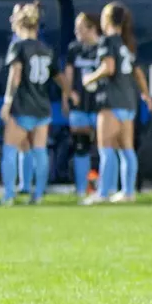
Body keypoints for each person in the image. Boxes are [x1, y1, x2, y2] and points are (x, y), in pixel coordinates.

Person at [82, 2, 152, 204]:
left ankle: (103, 193)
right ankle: (128, 191)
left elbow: (108, 68)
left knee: (106, 148)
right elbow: (138, 73)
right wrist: (146, 95)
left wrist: (89, 79)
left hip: (111, 101)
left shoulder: (108, 42)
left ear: (106, 19)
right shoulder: (126, 44)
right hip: (128, 101)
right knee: (126, 149)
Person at [0, 2, 60, 206]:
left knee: (10, 149)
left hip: (23, 104)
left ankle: (9, 195)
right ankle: (38, 194)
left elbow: (15, 76)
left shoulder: (18, 46)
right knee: (39, 151)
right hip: (42, 105)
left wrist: (7, 102)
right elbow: (56, 77)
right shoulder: (46, 49)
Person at [62, 12, 103, 198]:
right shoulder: (74, 49)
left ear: (92, 28)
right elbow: (68, 75)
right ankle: (82, 189)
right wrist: (67, 96)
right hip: (80, 106)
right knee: (80, 146)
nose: (76, 31)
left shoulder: (104, 47)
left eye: (80, 27)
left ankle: (103, 187)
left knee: (104, 147)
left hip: (101, 104)